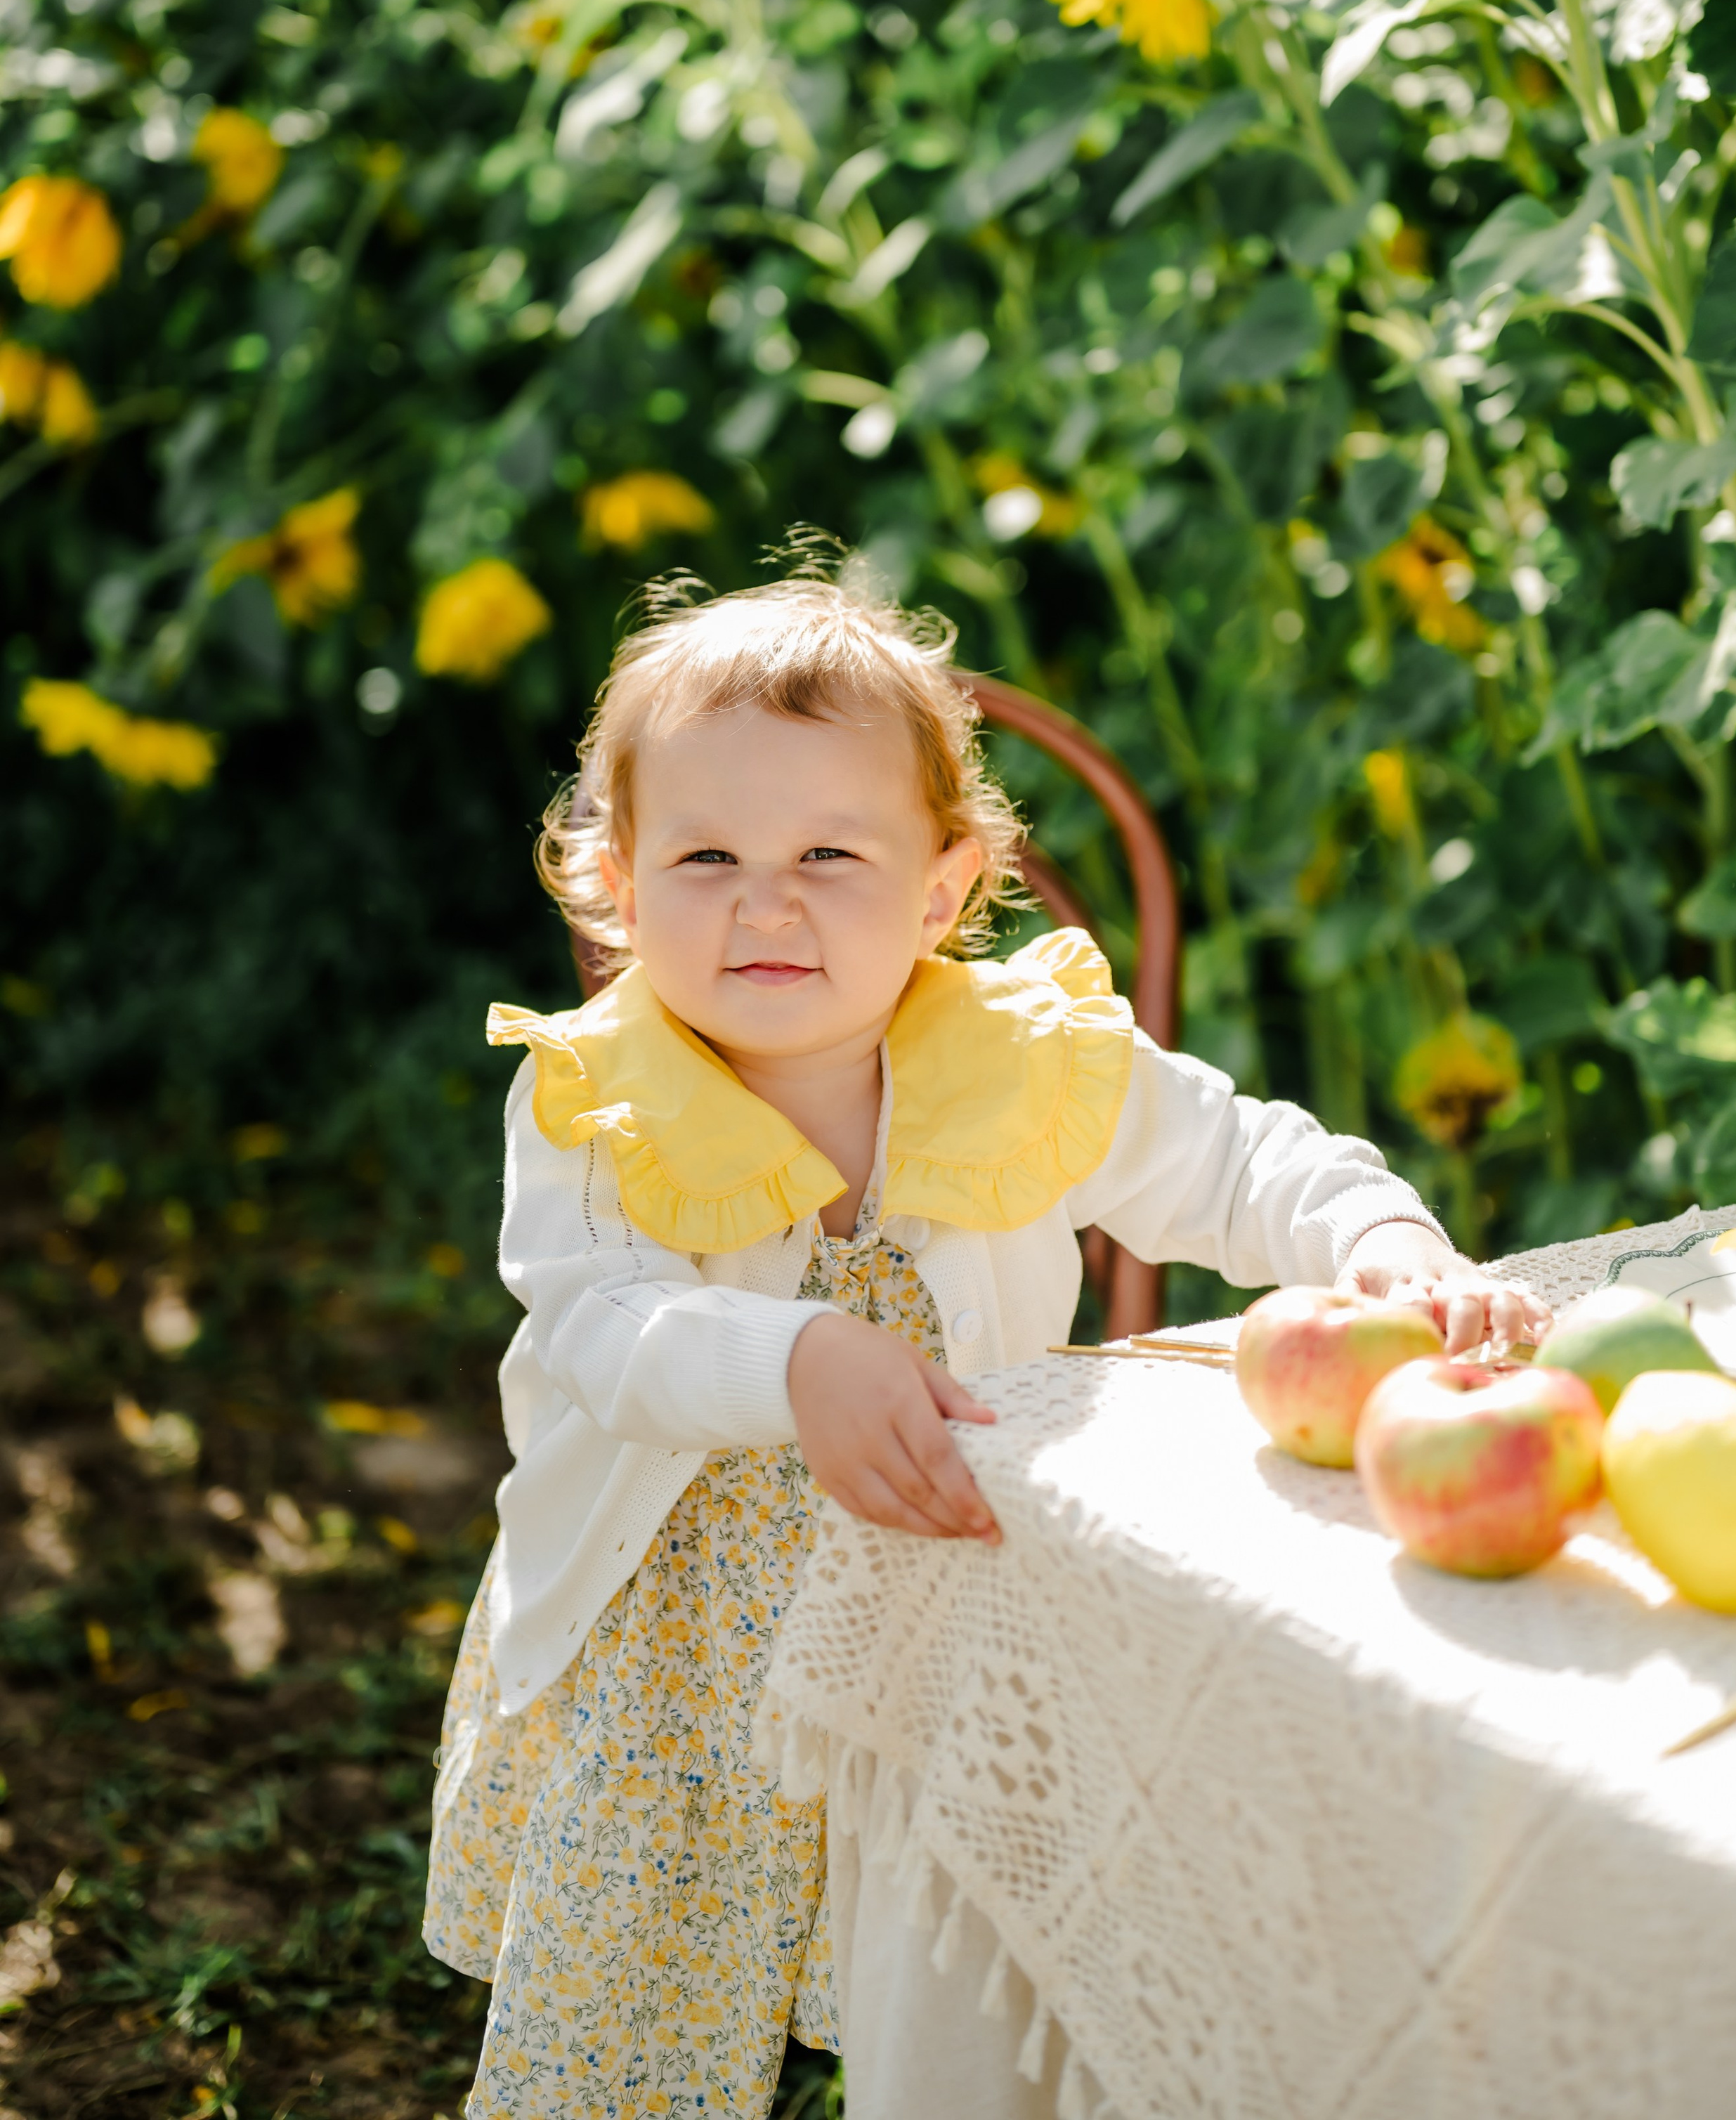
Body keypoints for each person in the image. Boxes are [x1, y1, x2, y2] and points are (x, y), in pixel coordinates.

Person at [423, 570, 1546, 2119]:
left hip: (947, 1601)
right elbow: (604, 1324)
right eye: (706, 857)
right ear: (618, 884)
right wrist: (795, 1357)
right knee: (642, 1991)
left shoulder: (1019, 1064)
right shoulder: (594, 1100)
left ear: (942, 890)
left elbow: (1239, 1162)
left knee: (957, 1965)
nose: (768, 902)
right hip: (667, 1647)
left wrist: (1380, 1242)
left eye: (830, 853)